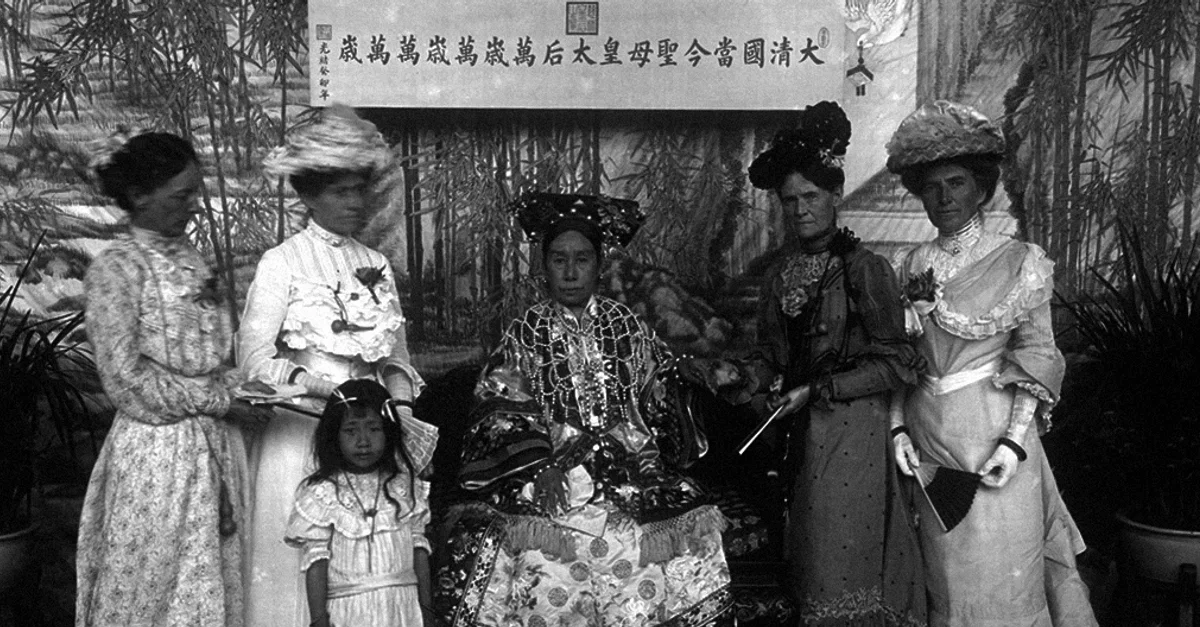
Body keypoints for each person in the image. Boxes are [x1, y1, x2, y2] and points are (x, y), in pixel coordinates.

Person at [435, 193, 732, 627]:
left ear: (599, 264)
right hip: (551, 474)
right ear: (544, 266)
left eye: (582, 260)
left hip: (630, 473)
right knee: (498, 547)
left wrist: (685, 379)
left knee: (694, 536)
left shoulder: (628, 328)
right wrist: (540, 465)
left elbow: (659, 395)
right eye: (559, 260)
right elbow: (501, 406)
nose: (571, 272)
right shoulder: (526, 332)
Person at [885, 101, 1098, 626]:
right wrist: (897, 429)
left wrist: (1013, 443)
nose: (944, 198)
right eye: (931, 187)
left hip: (995, 440)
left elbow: (1038, 354)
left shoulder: (1019, 260)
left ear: (981, 188)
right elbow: (900, 361)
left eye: (956, 183)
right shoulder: (908, 265)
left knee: (1005, 579)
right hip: (928, 442)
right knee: (947, 585)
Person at [239, 105, 434, 627]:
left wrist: (400, 415)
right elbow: (253, 359)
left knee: (373, 567)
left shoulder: (376, 263)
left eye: (360, 190)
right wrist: (322, 388)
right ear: (309, 195)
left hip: (371, 439)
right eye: (342, 192)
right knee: (302, 565)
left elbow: (396, 358)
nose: (356, 203)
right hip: (302, 435)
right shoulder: (281, 262)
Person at [732, 101, 926, 625]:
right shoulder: (779, 275)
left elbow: (898, 365)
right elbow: (771, 356)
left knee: (842, 565)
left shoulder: (865, 270)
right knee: (808, 562)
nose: (800, 210)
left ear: (836, 194)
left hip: (855, 436)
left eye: (811, 197)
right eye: (789, 200)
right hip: (802, 438)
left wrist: (818, 390)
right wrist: (742, 376)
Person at [76, 130, 270, 626]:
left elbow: (207, 361)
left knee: (207, 587)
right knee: (152, 590)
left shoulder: (191, 258)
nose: (193, 206)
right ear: (139, 195)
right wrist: (217, 401)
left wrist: (242, 388)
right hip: (157, 453)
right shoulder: (116, 269)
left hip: (214, 447)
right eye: (181, 196)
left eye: (195, 194)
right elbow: (125, 379)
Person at [285, 379, 437, 627]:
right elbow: (316, 563)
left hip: (402, 610)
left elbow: (419, 550)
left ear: (388, 432)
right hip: (350, 614)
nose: (363, 441)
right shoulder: (324, 494)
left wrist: (426, 610)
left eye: (374, 429)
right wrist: (319, 620)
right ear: (334, 435)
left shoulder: (404, 487)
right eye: (351, 430)